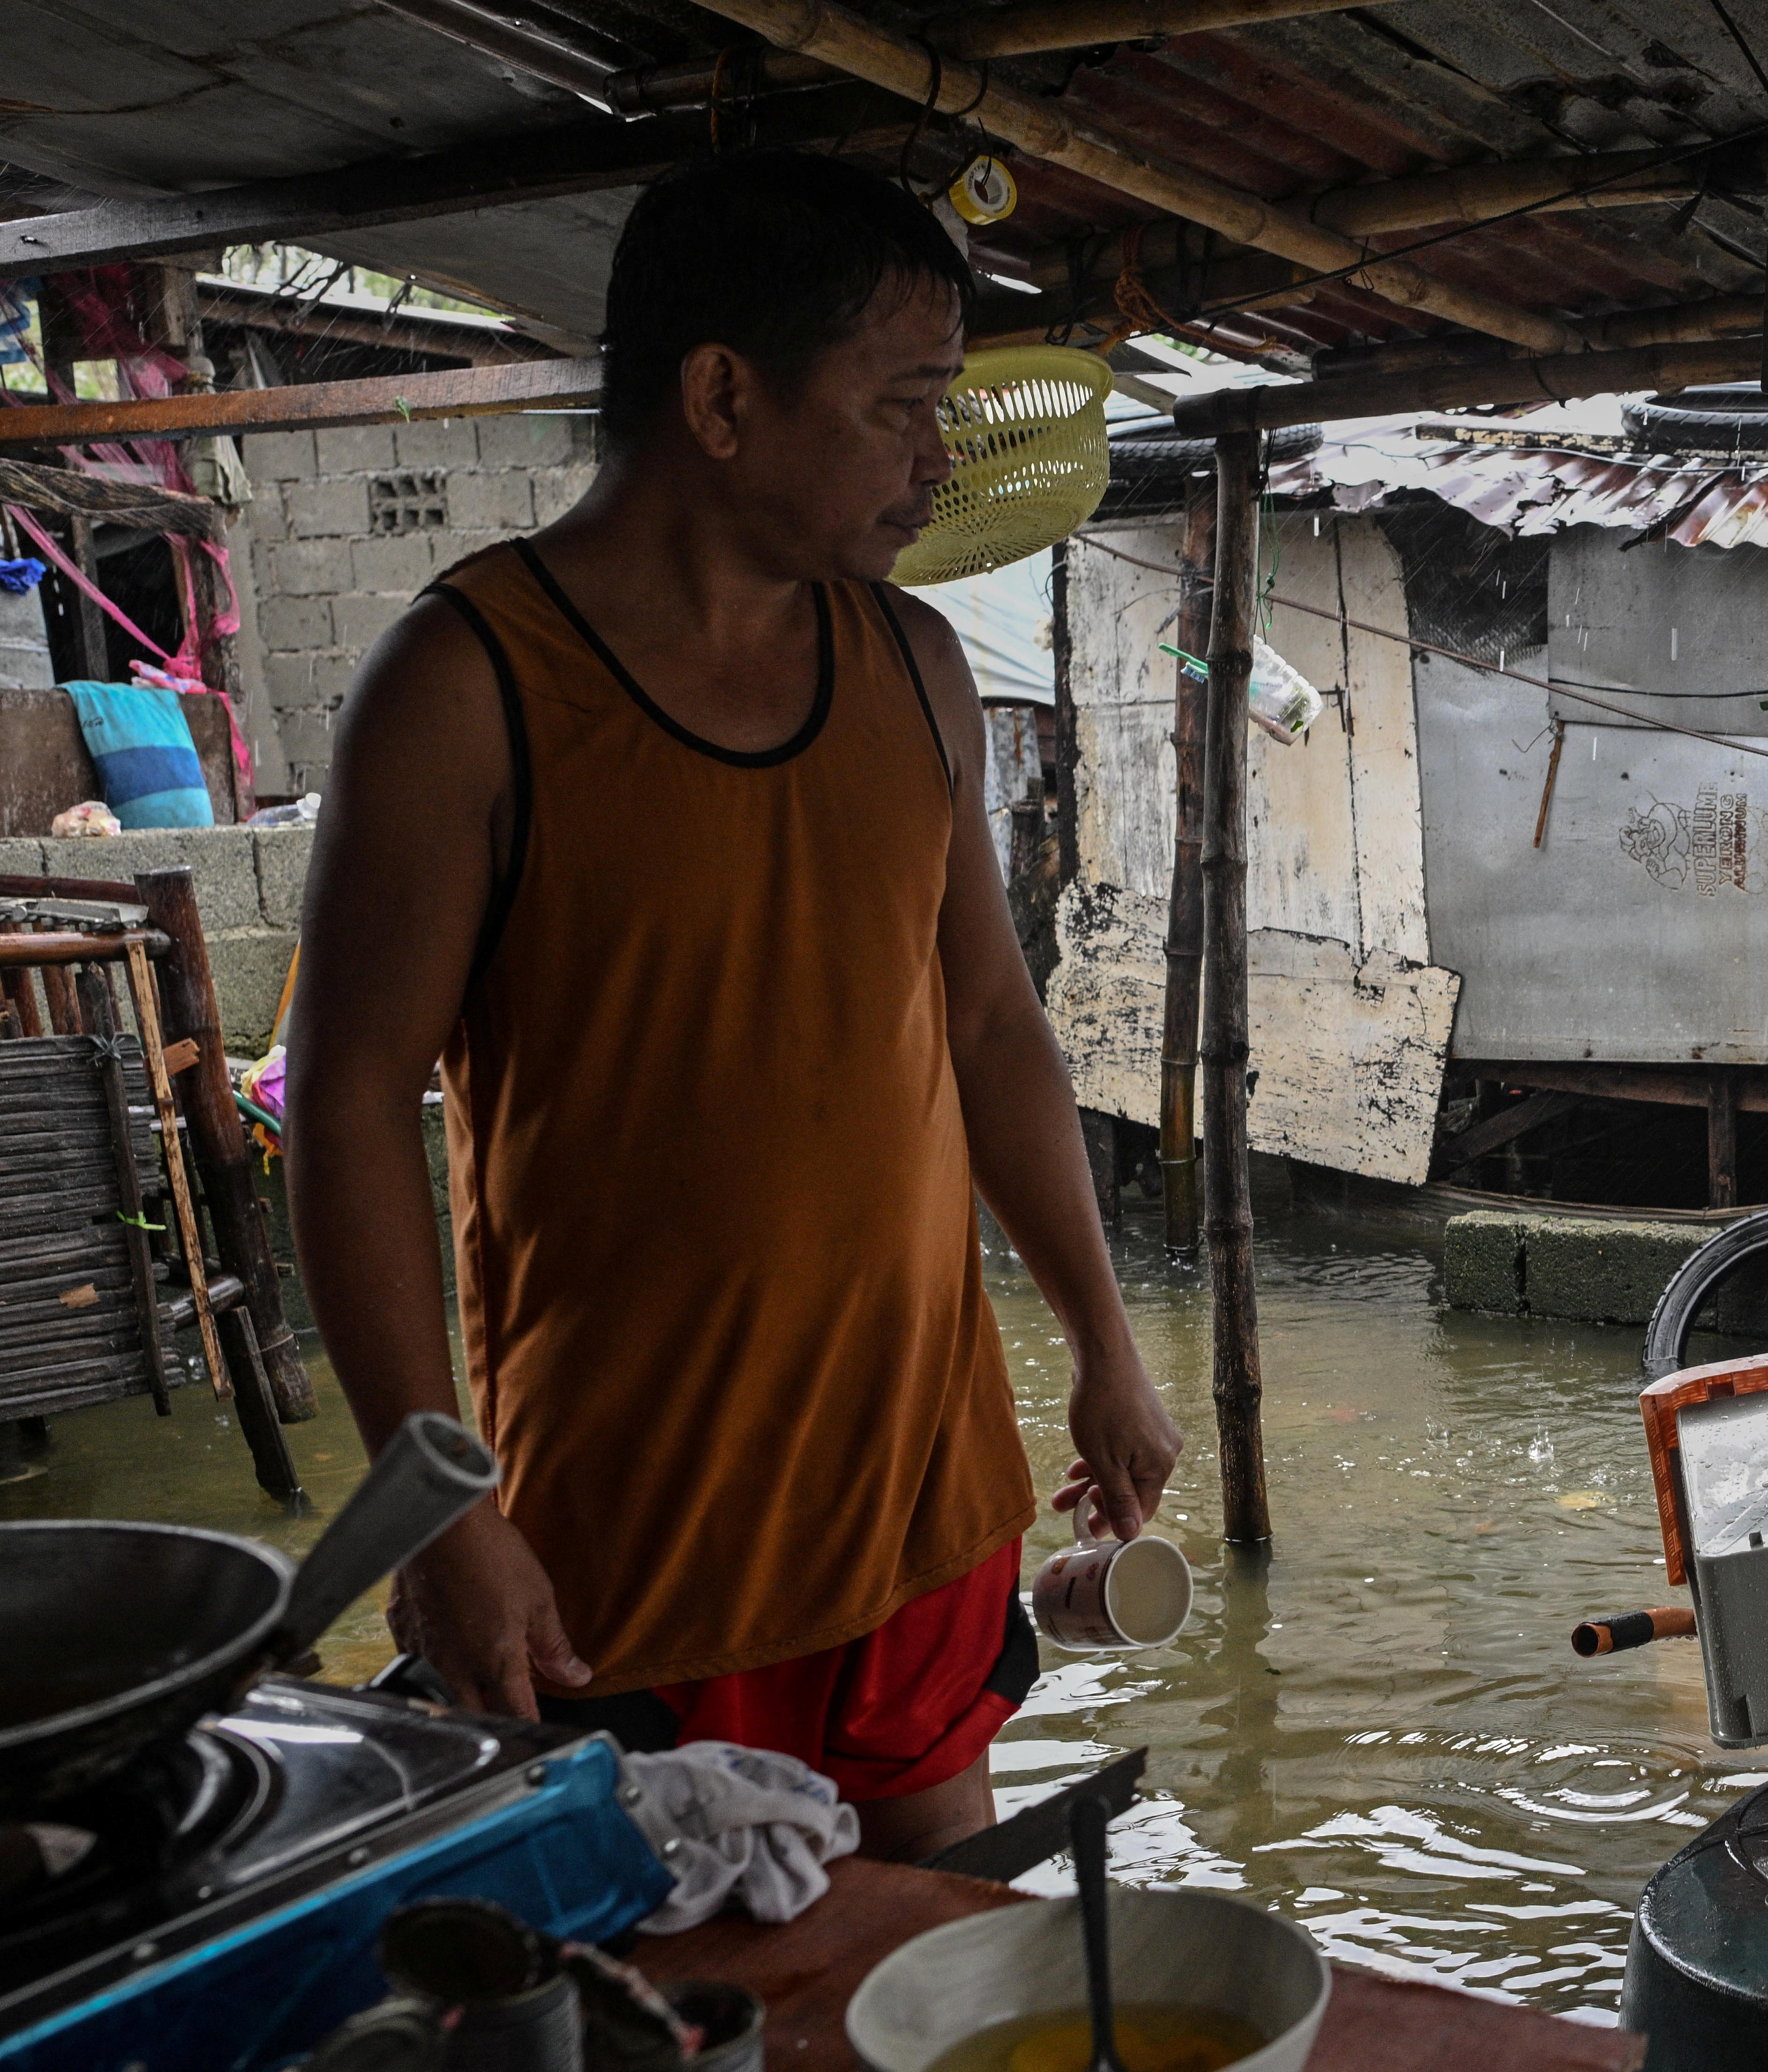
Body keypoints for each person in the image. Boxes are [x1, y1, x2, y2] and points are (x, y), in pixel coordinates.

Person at [286, 152, 1178, 1862]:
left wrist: (1105, 1346)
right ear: (720, 397)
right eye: (901, 404)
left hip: (923, 1509)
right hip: (626, 1555)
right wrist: (438, 1516)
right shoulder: (468, 687)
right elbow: (343, 1111)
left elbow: (993, 1033)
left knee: (932, 1985)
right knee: (681, 2050)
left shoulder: (916, 673)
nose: (940, 457)